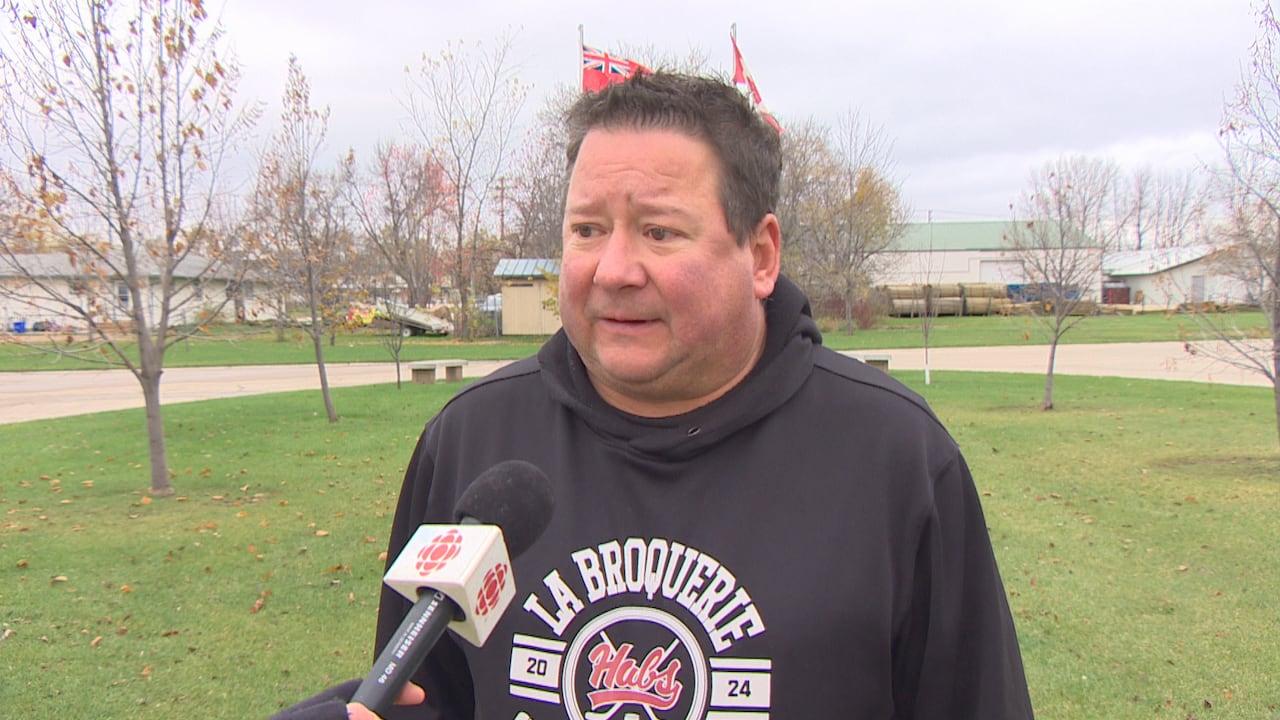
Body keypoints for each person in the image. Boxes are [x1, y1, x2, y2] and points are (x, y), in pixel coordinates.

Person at [279, 70, 1034, 719]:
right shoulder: (473, 442)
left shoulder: (893, 456)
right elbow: (425, 699)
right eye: (586, 229)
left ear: (760, 254)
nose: (612, 269)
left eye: (659, 232)